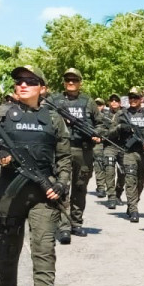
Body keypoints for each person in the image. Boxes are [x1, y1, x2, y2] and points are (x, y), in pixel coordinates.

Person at [0, 65, 70, 286]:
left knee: (44, 249)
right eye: (19, 81)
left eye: (30, 81)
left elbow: (64, 157)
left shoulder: (54, 118)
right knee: (7, 247)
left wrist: (61, 185)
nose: (23, 85)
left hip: (43, 193)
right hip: (8, 193)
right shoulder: (3, 114)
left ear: (43, 88)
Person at [45, 68, 101, 244]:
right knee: (63, 187)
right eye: (68, 80)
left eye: (74, 80)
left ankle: (76, 222)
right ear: (64, 82)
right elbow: (44, 119)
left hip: (83, 150)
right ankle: (63, 226)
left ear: (80, 82)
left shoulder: (88, 102)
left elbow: (101, 124)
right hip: (62, 150)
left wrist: (96, 133)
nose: (71, 83)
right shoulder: (53, 100)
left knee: (80, 187)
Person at [107, 88, 144, 221]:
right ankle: (133, 209)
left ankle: (133, 202)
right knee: (130, 179)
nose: (133, 100)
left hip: (143, 152)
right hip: (128, 152)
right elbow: (109, 133)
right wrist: (120, 128)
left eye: (136, 97)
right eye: (131, 97)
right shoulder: (121, 114)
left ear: (141, 99)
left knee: (142, 179)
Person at [94, 95, 124, 203]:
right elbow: (100, 129)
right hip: (109, 146)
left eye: (116, 100)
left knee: (123, 172)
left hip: (123, 146)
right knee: (109, 170)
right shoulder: (104, 115)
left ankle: (118, 193)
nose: (114, 102)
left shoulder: (125, 114)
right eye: (112, 100)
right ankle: (111, 196)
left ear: (120, 102)